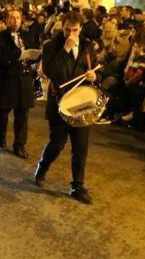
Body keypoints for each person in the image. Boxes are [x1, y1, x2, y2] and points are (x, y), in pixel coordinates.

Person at [34, 12, 99, 203]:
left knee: (80, 147)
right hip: (60, 102)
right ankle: (42, 167)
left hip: (81, 104)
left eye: (75, 30)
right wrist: (65, 49)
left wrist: (95, 77)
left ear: (80, 28)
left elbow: (95, 70)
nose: (72, 33)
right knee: (57, 143)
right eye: (68, 29)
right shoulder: (51, 46)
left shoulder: (87, 46)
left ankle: (77, 185)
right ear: (62, 28)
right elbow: (50, 71)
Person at [0, 7, 35, 158]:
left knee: (23, 114)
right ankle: (1, 136)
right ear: (7, 20)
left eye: (18, 18)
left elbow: (33, 51)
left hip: (24, 79)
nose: (15, 21)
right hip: (8, 79)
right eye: (12, 18)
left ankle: (19, 145)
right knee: (3, 112)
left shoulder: (27, 36)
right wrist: (14, 55)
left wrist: (34, 58)